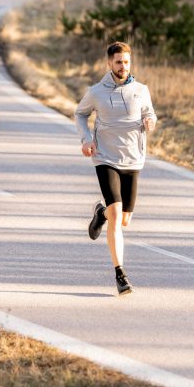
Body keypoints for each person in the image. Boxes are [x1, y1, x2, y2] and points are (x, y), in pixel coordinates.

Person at [75, 42, 157, 296]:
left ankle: (100, 213)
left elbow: (150, 114)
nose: (123, 66)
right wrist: (86, 140)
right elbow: (80, 114)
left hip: (133, 159)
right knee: (117, 214)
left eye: (127, 62)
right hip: (105, 158)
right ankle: (120, 273)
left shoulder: (141, 90)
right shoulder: (96, 91)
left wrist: (150, 121)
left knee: (123, 220)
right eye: (119, 62)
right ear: (109, 63)